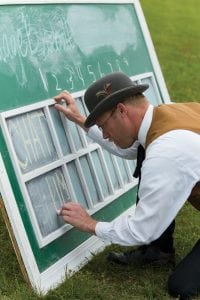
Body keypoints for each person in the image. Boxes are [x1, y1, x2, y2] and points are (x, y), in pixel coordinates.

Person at [54, 71, 200, 299]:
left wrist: (90, 224)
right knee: (144, 151)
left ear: (121, 110)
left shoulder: (166, 151)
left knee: (181, 286)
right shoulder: (167, 113)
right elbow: (131, 149)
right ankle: (158, 251)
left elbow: (142, 229)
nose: (106, 135)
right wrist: (81, 120)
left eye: (103, 126)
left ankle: (158, 249)